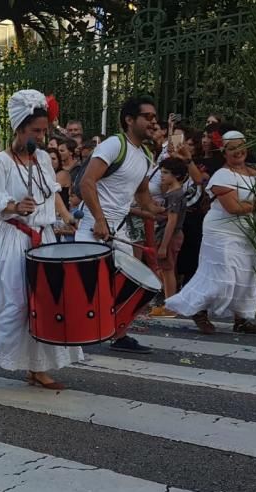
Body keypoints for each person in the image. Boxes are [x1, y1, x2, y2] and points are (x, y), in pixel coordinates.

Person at [0, 89, 82, 392]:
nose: (41, 136)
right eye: (35, 130)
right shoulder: (2, 162)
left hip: (44, 238)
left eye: (43, 130)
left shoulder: (42, 158)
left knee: (43, 304)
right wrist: (15, 206)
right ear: (19, 129)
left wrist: (67, 217)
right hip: (14, 237)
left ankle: (38, 367)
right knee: (11, 302)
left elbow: (52, 192)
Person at [165, 131, 256, 334]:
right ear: (224, 152)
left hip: (248, 231)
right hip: (222, 231)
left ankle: (241, 318)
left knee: (245, 275)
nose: (237, 151)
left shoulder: (255, 172)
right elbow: (233, 208)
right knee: (223, 274)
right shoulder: (222, 175)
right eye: (231, 148)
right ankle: (198, 309)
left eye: (240, 146)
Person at [78, 95, 165, 354]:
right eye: (147, 117)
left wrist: (158, 210)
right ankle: (73, 333)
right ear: (129, 120)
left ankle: (118, 333)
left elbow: (141, 193)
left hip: (118, 229)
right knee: (86, 287)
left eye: (154, 117)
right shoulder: (115, 145)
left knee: (132, 284)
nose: (153, 122)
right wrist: (100, 220)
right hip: (94, 227)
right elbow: (86, 182)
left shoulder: (146, 153)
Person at [148, 157, 190, 317]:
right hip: (168, 233)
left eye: (166, 173)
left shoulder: (175, 195)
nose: (162, 176)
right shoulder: (172, 194)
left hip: (170, 235)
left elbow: (172, 221)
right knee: (165, 269)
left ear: (177, 175)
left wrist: (164, 245)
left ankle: (170, 305)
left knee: (167, 270)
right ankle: (169, 303)